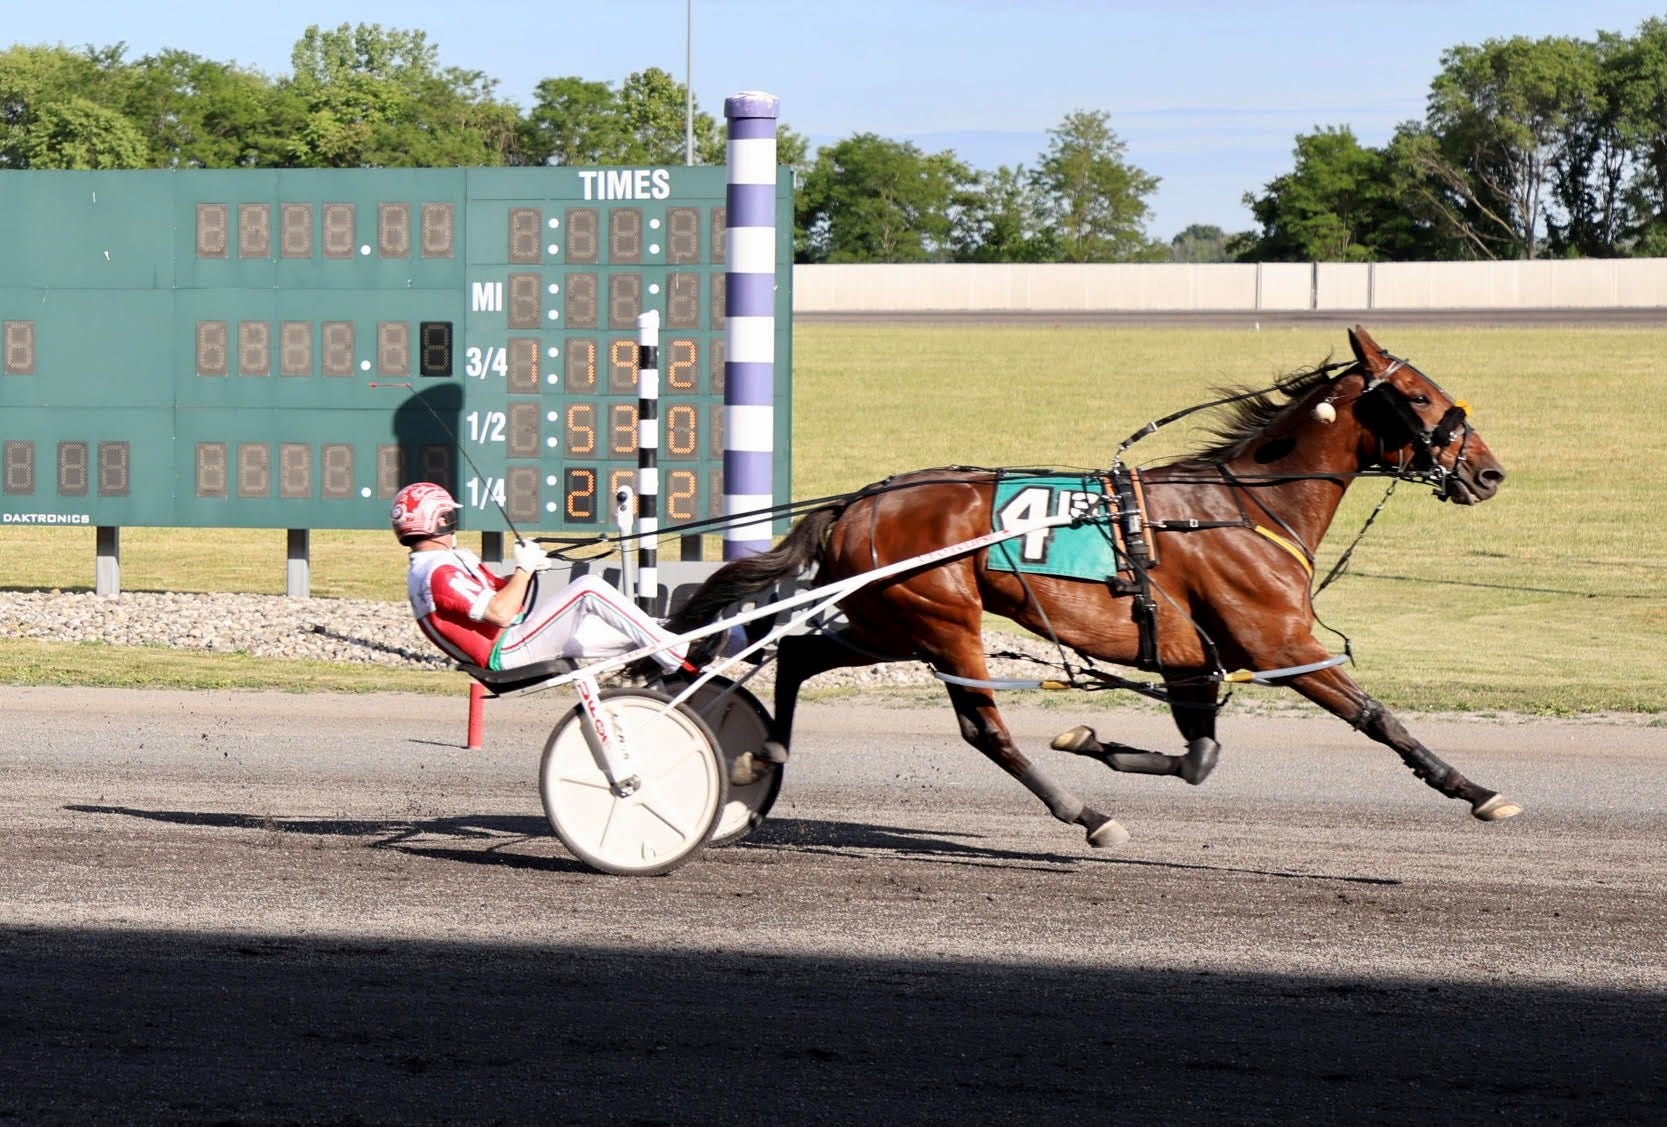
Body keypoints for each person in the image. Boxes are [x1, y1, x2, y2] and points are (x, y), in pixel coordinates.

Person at [391, 482, 690, 675]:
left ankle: (705, 647)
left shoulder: (442, 563)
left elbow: (498, 591)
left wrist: (530, 567)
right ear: (436, 521)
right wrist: (524, 569)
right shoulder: (436, 574)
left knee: (640, 631)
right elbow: (501, 612)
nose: (453, 526)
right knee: (588, 589)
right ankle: (675, 655)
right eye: (449, 518)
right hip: (507, 651)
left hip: (516, 639)